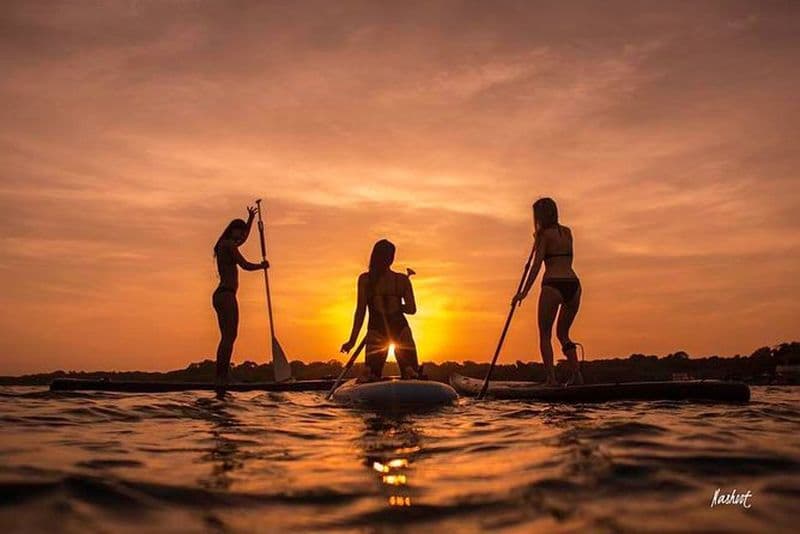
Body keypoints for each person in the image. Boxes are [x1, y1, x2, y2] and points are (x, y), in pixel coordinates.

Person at [513, 198, 583, 386]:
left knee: (545, 335)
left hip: (553, 284)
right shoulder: (567, 232)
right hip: (573, 285)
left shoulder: (544, 236)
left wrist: (523, 292)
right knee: (563, 334)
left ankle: (551, 379)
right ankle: (576, 375)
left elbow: (536, 266)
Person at [341, 239, 421, 381]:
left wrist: (352, 341)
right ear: (391, 258)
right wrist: (397, 305)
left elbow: (360, 312)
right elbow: (411, 309)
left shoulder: (365, 279)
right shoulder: (402, 280)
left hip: (376, 330)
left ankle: (371, 374)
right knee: (411, 372)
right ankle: (410, 372)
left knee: (371, 375)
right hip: (401, 329)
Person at [212, 206, 269, 393]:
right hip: (226, 295)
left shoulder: (226, 245)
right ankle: (222, 377)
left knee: (227, 336)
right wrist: (261, 266)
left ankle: (222, 375)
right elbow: (244, 265)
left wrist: (251, 219)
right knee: (229, 336)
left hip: (223, 295)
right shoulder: (228, 245)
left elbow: (243, 239)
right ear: (232, 229)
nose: (242, 234)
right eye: (240, 229)